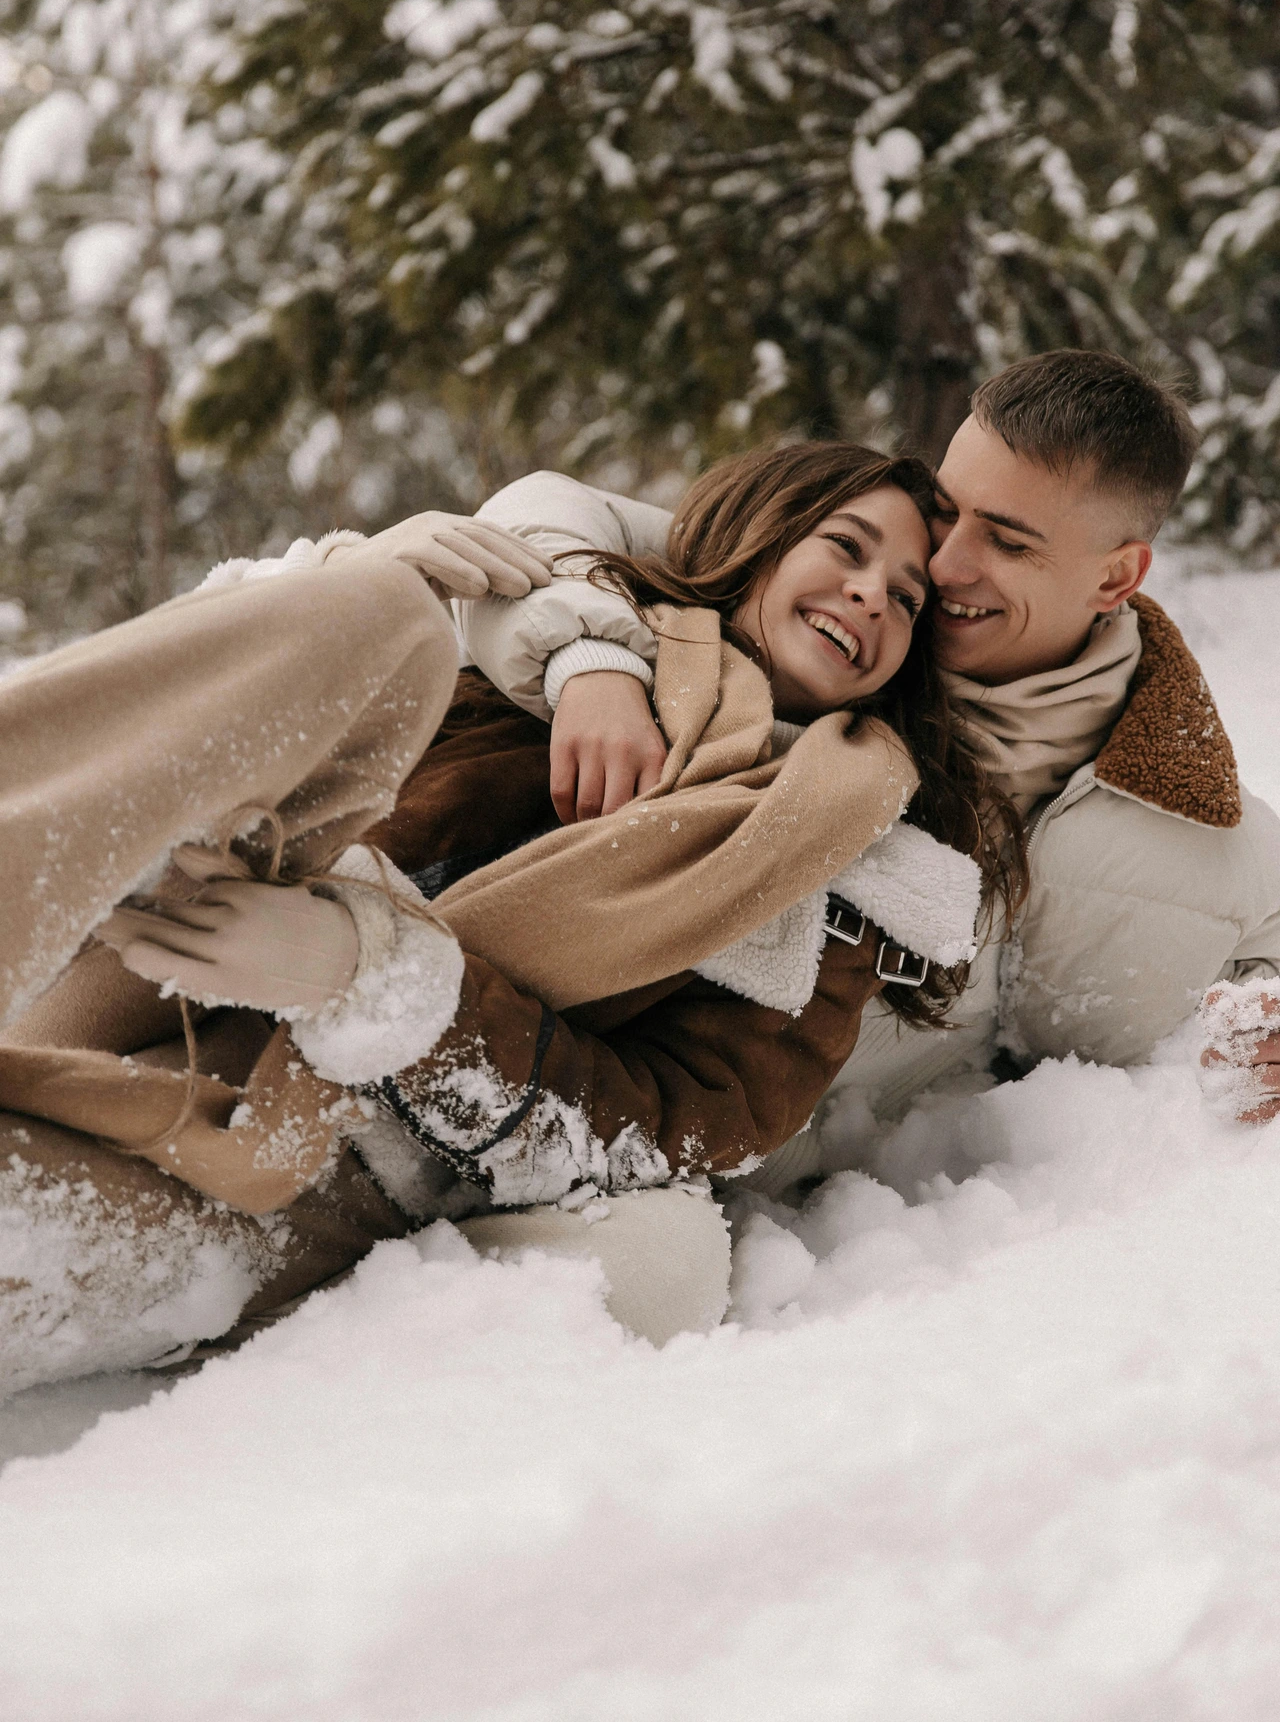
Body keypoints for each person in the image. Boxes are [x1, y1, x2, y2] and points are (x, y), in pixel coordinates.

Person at [0, 443, 997, 1394]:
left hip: (286, 1170)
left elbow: (659, 1133)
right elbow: (161, 724)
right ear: (760, 533)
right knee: (377, 604)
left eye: (907, 598)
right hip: (124, 946)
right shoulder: (530, 633)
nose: (873, 594)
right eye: (846, 545)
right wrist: (561, 652)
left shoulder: (840, 888)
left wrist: (372, 977)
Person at [457, 349, 1280, 1199]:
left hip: (851, 1245)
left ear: (1116, 575)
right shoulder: (839, 625)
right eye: (948, 508)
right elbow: (538, 515)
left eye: (1005, 539)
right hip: (556, 1098)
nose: (948, 561)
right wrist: (589, 659)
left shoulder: (1194, 822)